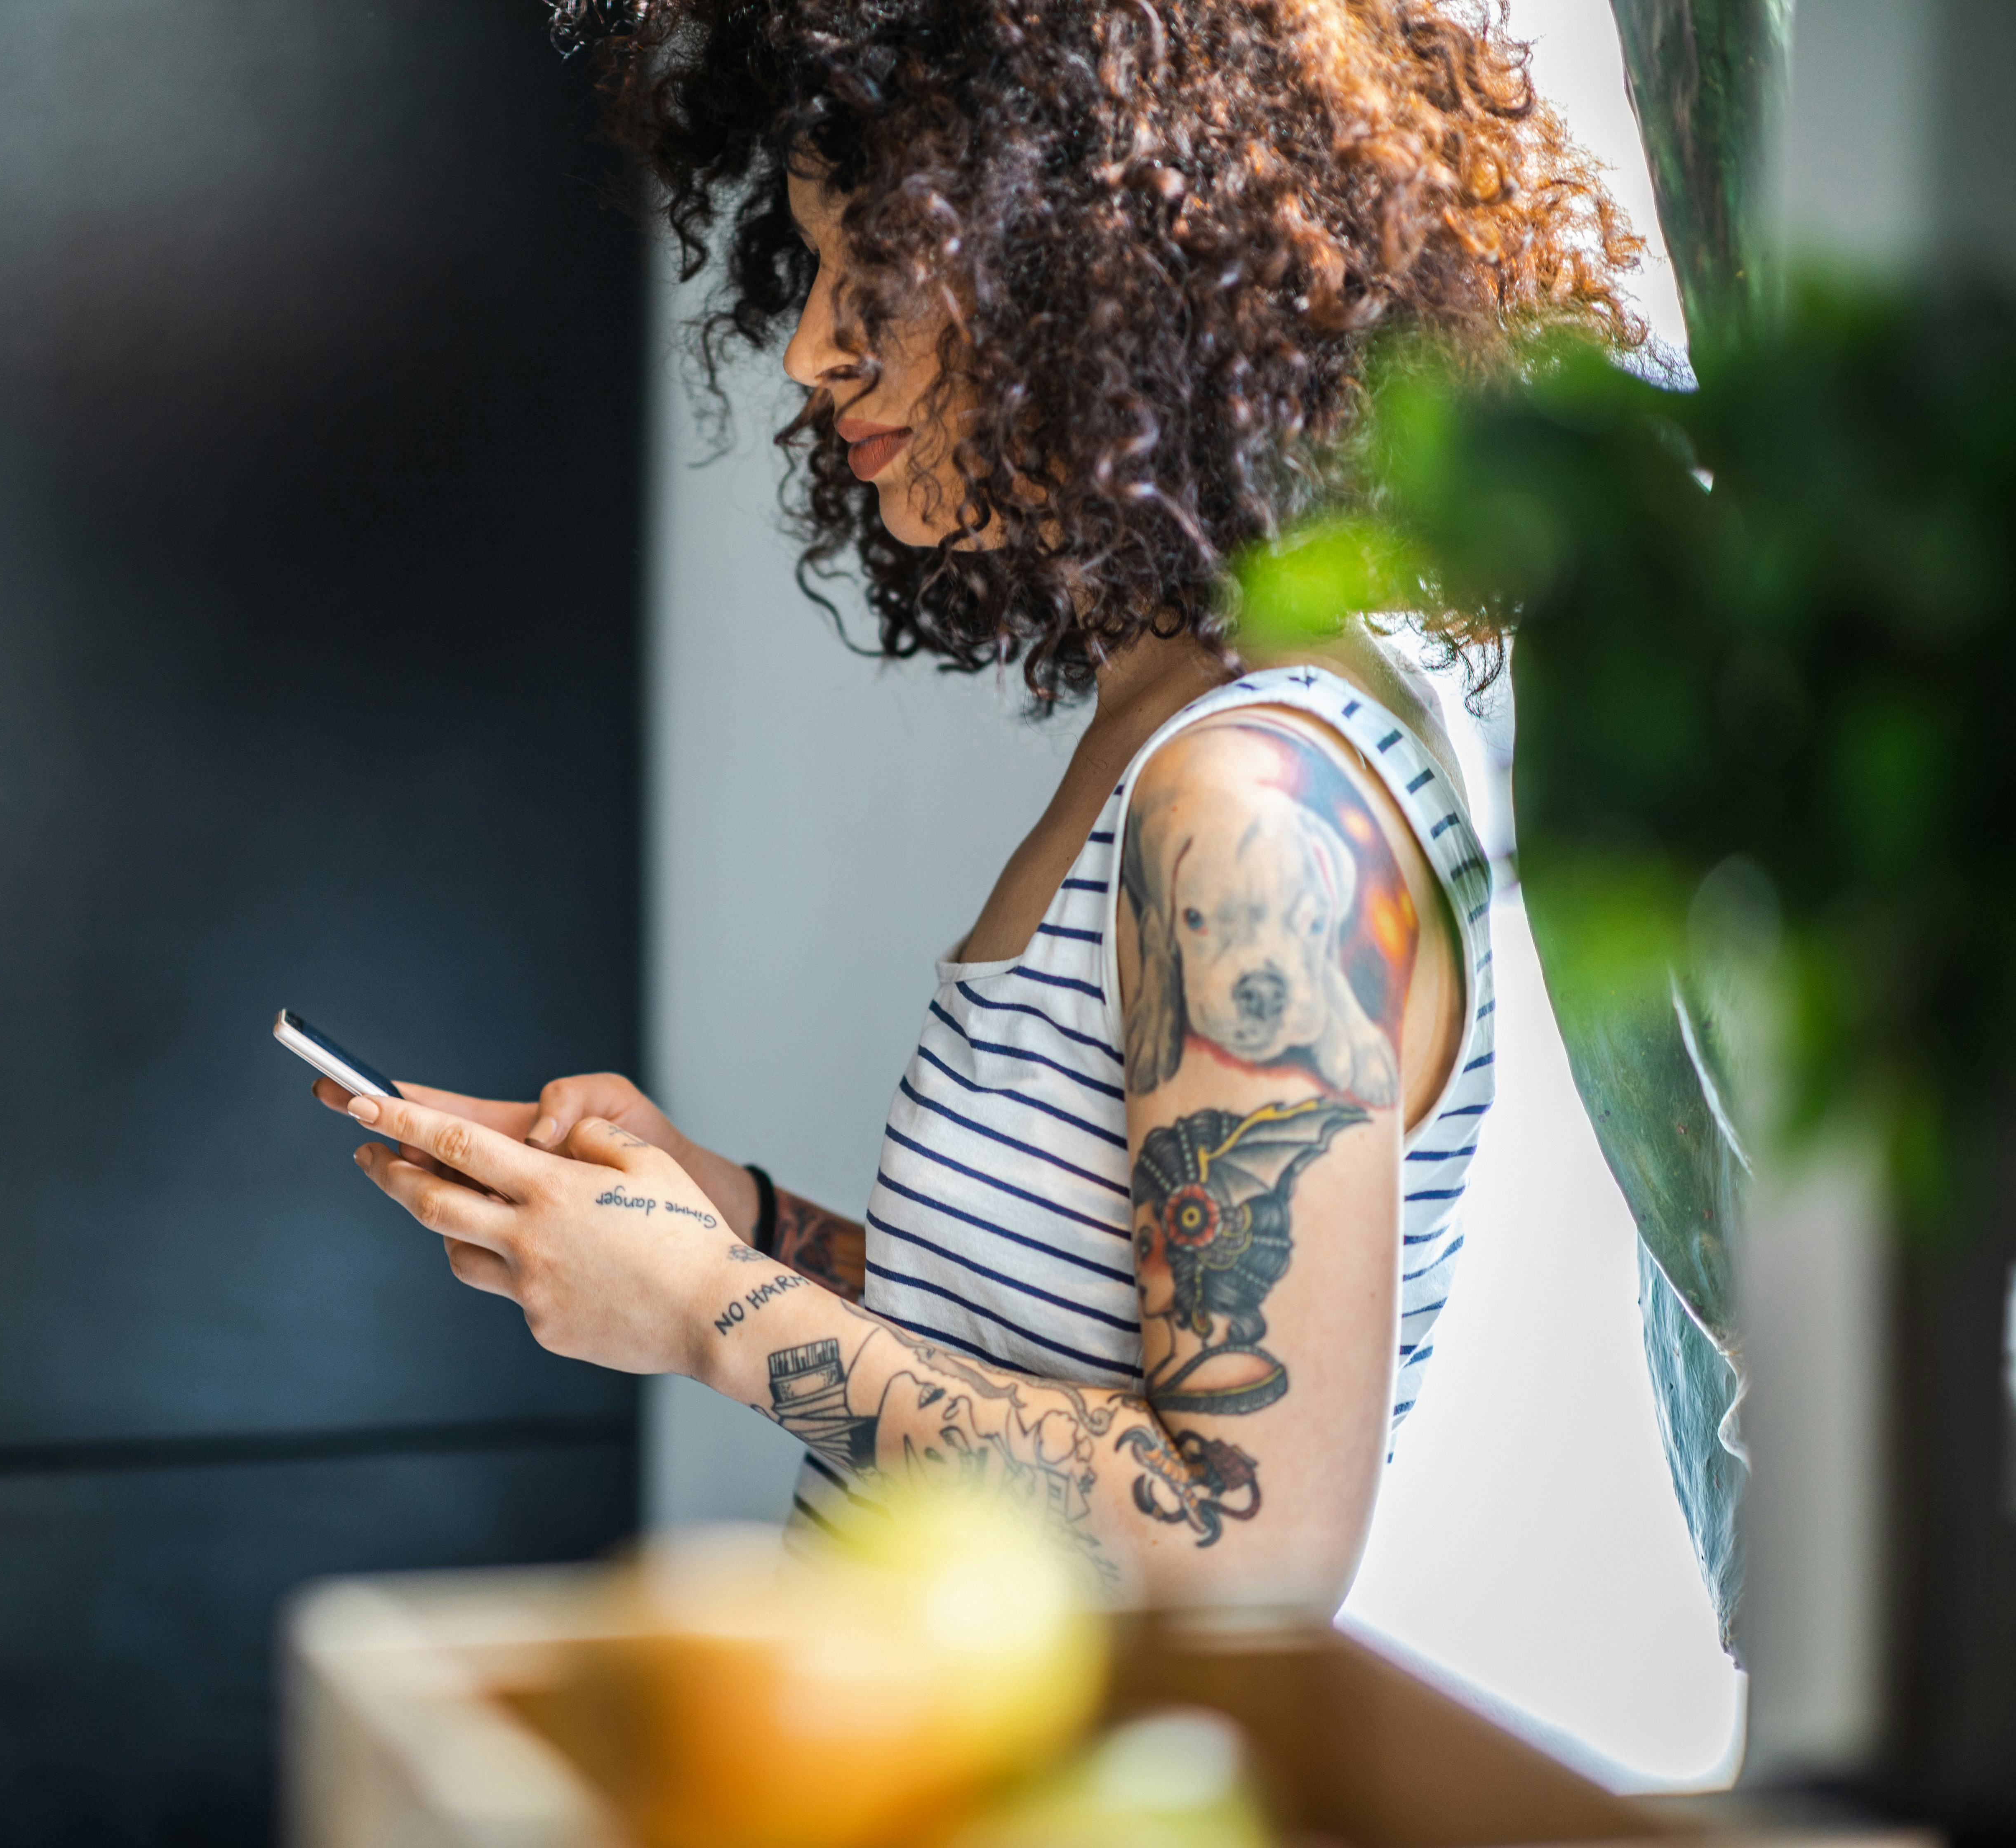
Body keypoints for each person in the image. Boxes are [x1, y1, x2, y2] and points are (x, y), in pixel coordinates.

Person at [317, 0, 1639, 1609]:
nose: (809, 346)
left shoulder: (1253, 804)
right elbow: (1038, 1349)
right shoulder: (1172, 731)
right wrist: (728, 1224)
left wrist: (704, 1319)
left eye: (875, 265)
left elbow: (1251, 1533)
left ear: (1084, 258)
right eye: (806, 270)